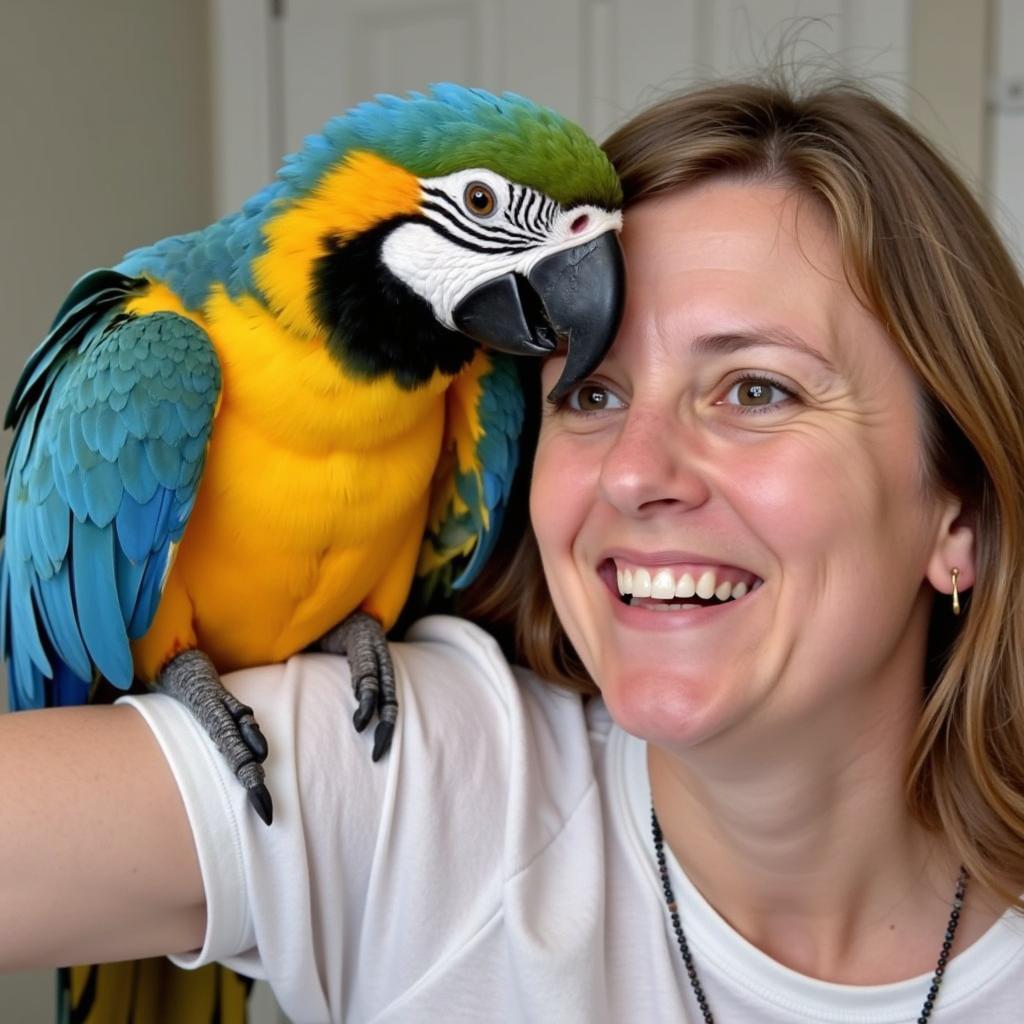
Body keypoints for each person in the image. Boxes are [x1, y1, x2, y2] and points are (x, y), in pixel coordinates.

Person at [3, 75, 1024, 1022]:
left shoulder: (459, 403)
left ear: (961, 516)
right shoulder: (411, 775)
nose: (636, 472)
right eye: (592, 393)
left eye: (756, 390)